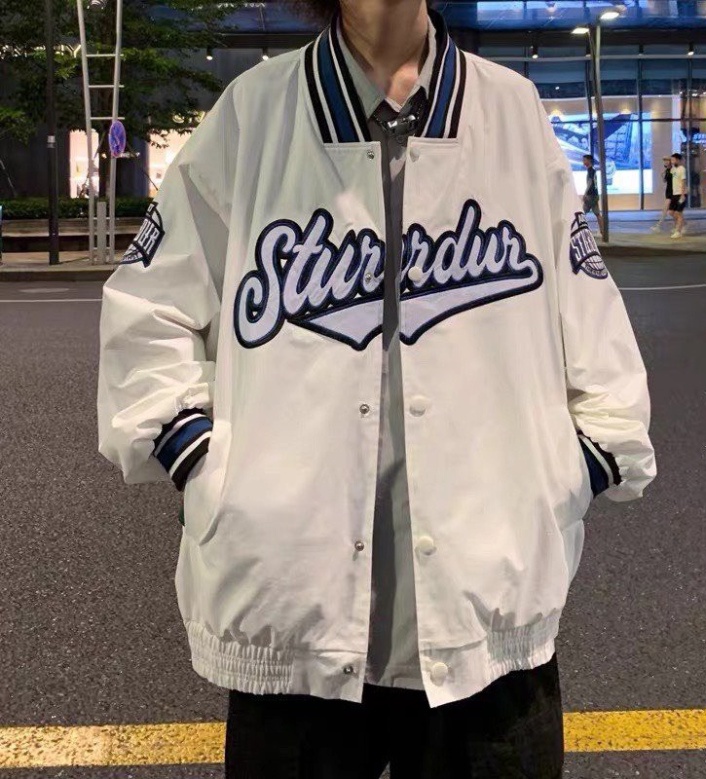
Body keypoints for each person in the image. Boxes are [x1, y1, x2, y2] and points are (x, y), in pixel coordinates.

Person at [96, 0, 656, 776]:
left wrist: (569, 472)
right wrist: (209, 468)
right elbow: (149, 311)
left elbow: (590, 320)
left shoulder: (509, 110)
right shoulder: (255, 113)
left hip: (487, 610)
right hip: (294, 614)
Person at [581, 153, 605, 235]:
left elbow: (590, 182)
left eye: (584, 160)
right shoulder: (593, 170)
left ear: (589, 160)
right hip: (595, 195)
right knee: (597, 214)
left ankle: (582, 231)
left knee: (582, 213)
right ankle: (602, 231)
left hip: (590, 195)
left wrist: (585, 193)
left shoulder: (591, 170)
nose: (583, 162)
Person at [650, 156, 673, 233]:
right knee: (672, 212)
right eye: (664, 161)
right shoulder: (667, 170)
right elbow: (665, 181)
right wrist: (662, 176)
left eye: (667, 160)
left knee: (665, 210)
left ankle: (658, 225)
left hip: (672, 192)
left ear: (670, 161)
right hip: (668, 191)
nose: (665, 162)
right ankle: (682, 225)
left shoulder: (673, 170)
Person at [669, 151, 688, 238]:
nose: (672, 161)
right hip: (674, 194)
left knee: (678, 213)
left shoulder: (682, 169)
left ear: (678, 160)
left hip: (681, 194)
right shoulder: (673, 170)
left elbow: (683, 182)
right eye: (671, 160)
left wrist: (683, 195)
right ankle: (683, 224)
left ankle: (678, 231)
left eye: (673, 160)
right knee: (671, 212)